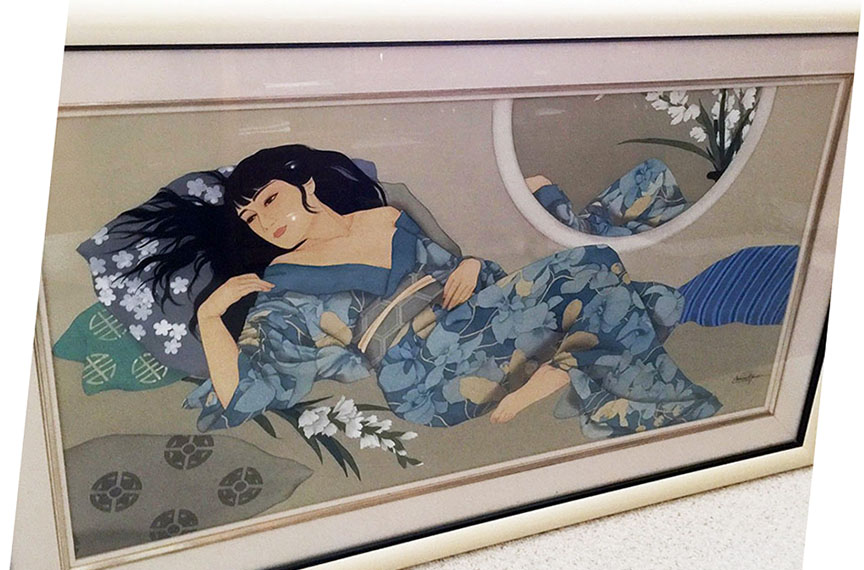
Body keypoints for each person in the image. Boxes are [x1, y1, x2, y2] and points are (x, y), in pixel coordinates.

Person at [118, 144, 722, 439]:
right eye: (251, 217)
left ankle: (589, 397)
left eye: (270, 199)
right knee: (593, 268)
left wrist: (474, 264)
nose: (264, 221)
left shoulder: (388, 214)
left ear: (305, 183)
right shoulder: (281, 288)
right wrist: (211, 320)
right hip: (424, 371)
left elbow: (461, 275)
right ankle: (661, 406)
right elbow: (248, 395)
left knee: (651, 300)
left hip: (478, 325)